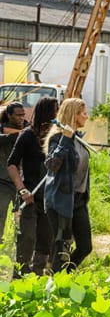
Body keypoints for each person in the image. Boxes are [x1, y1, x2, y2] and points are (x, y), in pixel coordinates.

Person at [8, 97, 57, 277]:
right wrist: (22, 189)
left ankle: (37, 274)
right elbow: (12, 164)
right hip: (29, 195)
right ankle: (19, 275)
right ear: (47, 112)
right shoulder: (27, 135)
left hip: (49, 196)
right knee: (27, 236)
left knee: (46, 237)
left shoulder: (56, 137)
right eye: (55, 110)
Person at [43, 98, 93, 273]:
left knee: (85, 246)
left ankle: (64, 275)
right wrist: (65, 140)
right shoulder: (58, 139)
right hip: (60, 200)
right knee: (62, 248)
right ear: (74, 115)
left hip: (79, 200)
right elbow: (52, 165)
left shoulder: (79, 139)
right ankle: (58, 285)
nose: (87, 117)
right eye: (84, 113)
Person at [0, 102, 26, 240]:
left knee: (22, 218)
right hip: (3, 181)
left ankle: (21, 249)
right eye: (18, 115)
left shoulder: (27, 129)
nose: (21, 118)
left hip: (21, 182)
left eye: (23, 115)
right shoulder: (3, 130)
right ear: (9, 115)